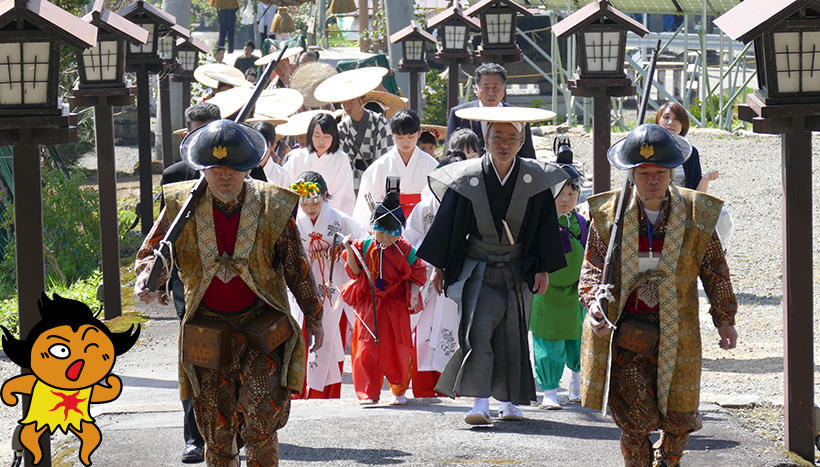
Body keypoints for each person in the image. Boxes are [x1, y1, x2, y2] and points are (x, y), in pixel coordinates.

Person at [134, 119, 324, 466]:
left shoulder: (274, 207)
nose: (225, 177)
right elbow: (151, 254)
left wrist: (314, 315)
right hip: (205, 326)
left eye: (233, 169)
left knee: (262, 421)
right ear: (203, 169)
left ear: (248, 167)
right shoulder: (179, 206)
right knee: (214, 428)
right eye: (216, 168)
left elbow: (296, 265)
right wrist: (149, 279)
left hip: (261, 324)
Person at [579, 123, 738, 467]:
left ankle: (669, 460)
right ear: (633, 174)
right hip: (626, 332)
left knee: (679, 420)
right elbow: (591, 268)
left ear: (672, 174)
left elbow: (714, 269)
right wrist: (594, 304)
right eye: (645, 173)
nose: (652, 180)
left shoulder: (698, 214)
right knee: (634, 422)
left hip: (678, 331)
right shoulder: (608, 216)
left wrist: (725, 319)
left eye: (660, 173)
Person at [417, 108, 567, 425]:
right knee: (477, 333)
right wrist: (440, 266)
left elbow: (545, 227)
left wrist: (543, 268)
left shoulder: (535, 179)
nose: (504, 144)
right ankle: (480, 401)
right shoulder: (468, 178)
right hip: (479, 266)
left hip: (518, 266)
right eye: (497, 137)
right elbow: (450, 225)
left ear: (522, 139)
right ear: (486, 138)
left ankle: (510, 401)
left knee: (513, 335)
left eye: (511, 137)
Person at [341, 190, 427, 405]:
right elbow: (355, 272)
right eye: (381, 233)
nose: (386, 238)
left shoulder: (406, 250)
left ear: (399, 232)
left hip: (395, 304)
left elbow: (418, 273)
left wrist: (414, 295)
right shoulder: (365, 245)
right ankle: (368, 392)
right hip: (368, 302)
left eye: (391, 234)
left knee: (397, 347)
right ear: (373, 228)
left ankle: (398, 389)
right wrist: (350, 251)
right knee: (365, 348)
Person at [289, 172, 365, 398]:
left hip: (333, 288)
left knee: (331, 339)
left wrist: (343, 249)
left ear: (324, 197)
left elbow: (361, 241)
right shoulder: (291, 221)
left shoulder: (340, 220)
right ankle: (299, 390)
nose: (310, 207)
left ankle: (326, 393)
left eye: (316, 201)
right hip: (302, 286)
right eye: (304, 202)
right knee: (299, 334)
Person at [403, 151, 468, 398]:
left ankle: (454, 387)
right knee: (424, 335)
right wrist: (427, 260)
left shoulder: (470, 206)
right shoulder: (425, 206)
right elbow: (409, 241)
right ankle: (423, 389)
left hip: (458, 278)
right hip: (428, 280)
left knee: (454, 332)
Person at [530, 164, 587, 410]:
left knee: (578, 340)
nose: (566, 200)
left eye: (571, 194)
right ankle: (550, 391)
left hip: (575, 293)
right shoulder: (539, 223)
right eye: (560, 194)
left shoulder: (583, 223)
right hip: (546, 292)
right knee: (547, 343)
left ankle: (577, 385)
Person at [352, 109, 438, 227]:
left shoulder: (431, 165)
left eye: (411, 137)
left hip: (422, 225)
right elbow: (367, 207)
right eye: (400, 137)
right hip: (388, 227)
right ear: (391, 134)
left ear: (419, 133)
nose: (405, 142)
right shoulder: (380, 167)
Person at [445, 63, 536, 158]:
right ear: (476, 89)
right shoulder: (460, 114)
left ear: (504, 89)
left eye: (495, 87)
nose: (491, 93)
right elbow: (449, 154)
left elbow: (528, 155)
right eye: (486, 87)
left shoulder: (518, 115)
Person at [283, 113, 356, 215]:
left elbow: (343, 195)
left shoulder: (341, 159)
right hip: (300, 214)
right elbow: (286, 187)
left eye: (326, 137)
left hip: (331, 215)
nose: (321, 141)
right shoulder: (297, 157)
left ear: (334, 137)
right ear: (310, 135)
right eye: (317, 136)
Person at [654, 102, 718, 192]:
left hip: (683, 204)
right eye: (666, 117)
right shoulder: (649, 149)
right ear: (658, 122)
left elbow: (697, 195)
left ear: (683, 125)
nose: (670, 123)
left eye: (676, 119)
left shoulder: (690, 152)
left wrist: (705, 179)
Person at [338, 94, 393, 188]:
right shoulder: (342, 128)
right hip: (353, 182)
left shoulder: (380, 123)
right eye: (344, 103)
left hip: (378, 180)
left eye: (351, 101)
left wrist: (376, 184)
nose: (347, 106)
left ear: (362, 101)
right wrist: (355, 189)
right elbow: (347, 163)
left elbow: (385, 157)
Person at [250, 120, 289, 186]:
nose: (258, 150)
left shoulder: (282, 176)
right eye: (254, 144)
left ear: (273, 146)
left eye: (262, 146)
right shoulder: (240, 172)